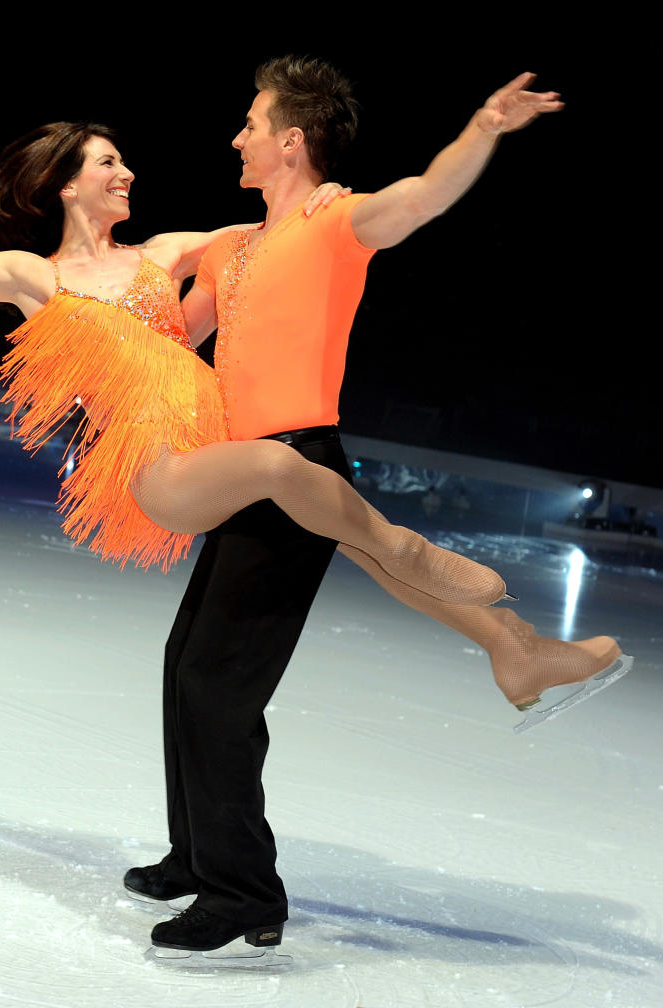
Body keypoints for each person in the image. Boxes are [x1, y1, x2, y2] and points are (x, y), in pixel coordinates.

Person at [124, 58, 631, 960]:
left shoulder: (336, 224)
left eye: (250, 122)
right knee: (186, 667)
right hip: (238, 469)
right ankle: (197, 854)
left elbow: (426, 197)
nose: (235, 137)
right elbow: (173, 334)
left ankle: (241, 891)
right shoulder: (235, 246)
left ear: (292, 139)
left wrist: (483, 125)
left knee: (218, 684)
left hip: (295, 465)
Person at [0, 124, 511, 615]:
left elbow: (284, 230)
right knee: (284, 470)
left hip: (212, 440)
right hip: (156, 471)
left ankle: (502, 638)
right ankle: (402, 545)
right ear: (71, 184)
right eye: (109, 161)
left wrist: (323, 196)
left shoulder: (163, 256)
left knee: (311, 515)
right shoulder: (35, 277)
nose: (126, 170)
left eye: (125, 159)